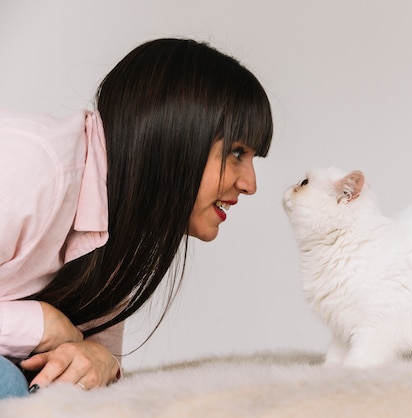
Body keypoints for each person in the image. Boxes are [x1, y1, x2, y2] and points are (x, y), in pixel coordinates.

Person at [0, 38, 273, 399]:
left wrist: (98, 358)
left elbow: (91, 357)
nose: (250, 184)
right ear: (174, 134)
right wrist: (40, 325)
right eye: (236, 152)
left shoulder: (118, 235)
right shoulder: (30, 166)